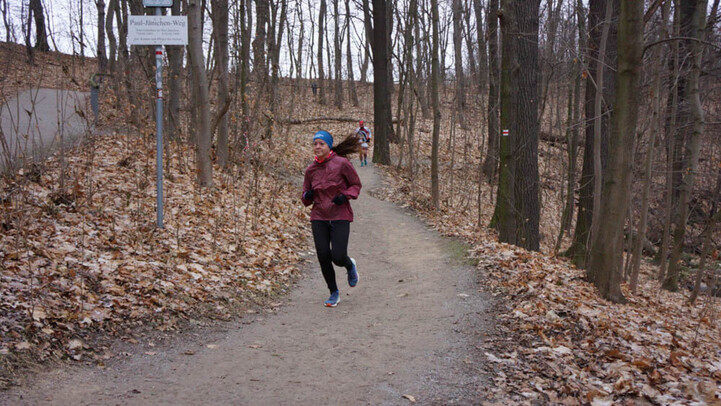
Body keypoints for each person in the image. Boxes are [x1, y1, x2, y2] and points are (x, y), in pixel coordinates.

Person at [302, 130, 362, 307]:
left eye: (321, 143)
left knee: (338, 256)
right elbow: (305, 198)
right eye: (315, 144)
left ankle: (349, 265)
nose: (317, 147)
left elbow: (356, 185)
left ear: (329, 146)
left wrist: (345, 196)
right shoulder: (311, 170)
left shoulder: (342, 163)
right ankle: (333, 292)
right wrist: (307, 195)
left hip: (339, 214)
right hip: (319, 216)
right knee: (323, 255)